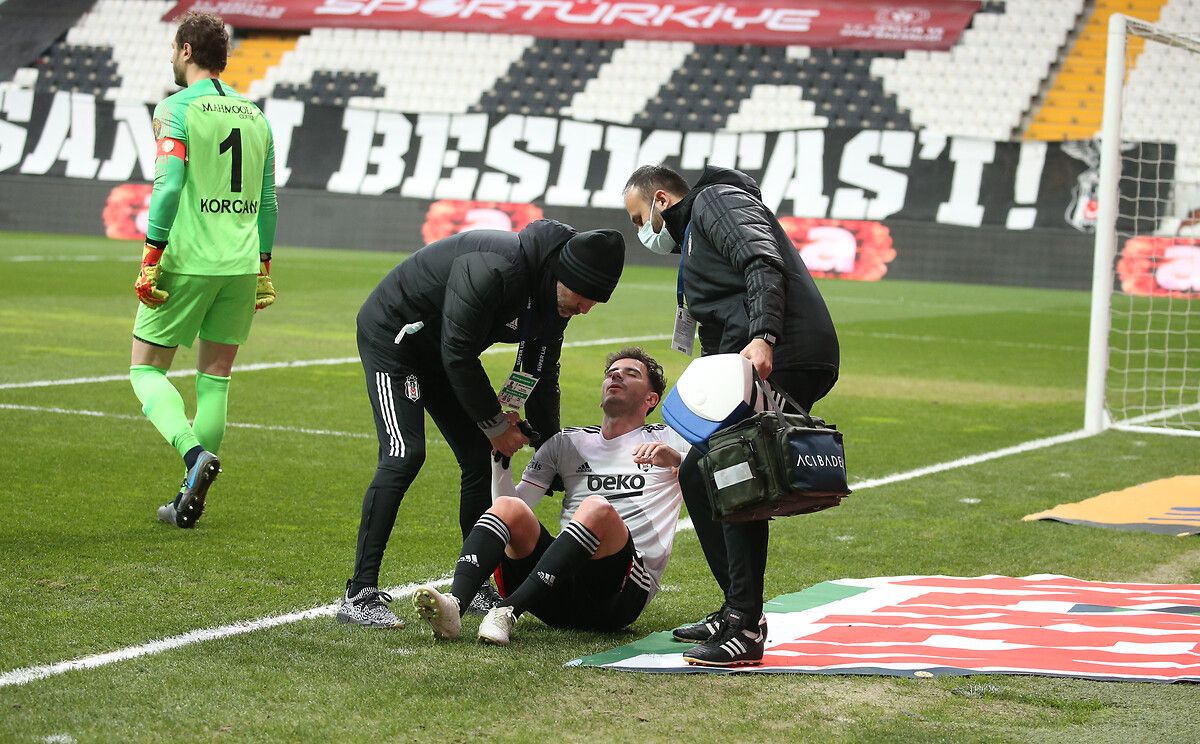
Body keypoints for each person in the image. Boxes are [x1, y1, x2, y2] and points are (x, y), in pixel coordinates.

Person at [336, 220, 626, 628]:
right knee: (405, 454)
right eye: (584, 296)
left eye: (595, 302)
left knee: (477, 456)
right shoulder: (496, 268)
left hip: (443, 350)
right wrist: (494, 423)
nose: (585, 309)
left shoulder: (554, 298)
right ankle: (359, 593)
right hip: (395, 338)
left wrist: (551, 449)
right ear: (564, 275)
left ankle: (470, 586)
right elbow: (457, 354)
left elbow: (540, 376)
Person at [623, 164, 839, 666]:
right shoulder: (699, 231)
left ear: (660, 200)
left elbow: (762, 262)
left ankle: (744, 624)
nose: (641, 232)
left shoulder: (716, 201)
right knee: (700, 470)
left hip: (784, 352)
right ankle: (735, 611)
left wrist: (764, 334)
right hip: (753, 358)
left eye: (638, 218)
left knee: (731, 471)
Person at [410, 348, 688, 645]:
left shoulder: (670, 438)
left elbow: (715, 471)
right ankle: (455, 604)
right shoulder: (567, 442)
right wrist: (500, 459)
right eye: (611, 373)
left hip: (618, 594)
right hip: (554, 588)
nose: (616, 375)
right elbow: (513, 511)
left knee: (597, 508)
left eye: (631, 373)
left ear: (651, 400)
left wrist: (678, 460)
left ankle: (506, 611)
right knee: (508, 506)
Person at [128, 11, 277, 529]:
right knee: (214, 380)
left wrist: (151, 254)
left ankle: (194, 457)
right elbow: (268, 201)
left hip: (188, 261)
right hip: (239, 265)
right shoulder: (256, 116)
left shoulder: (175, 109)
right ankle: (192, 499)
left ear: (187, 50)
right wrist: (263, 264)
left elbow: (168, 187)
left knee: (145, 370)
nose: (172, 56)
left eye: (175, 47)